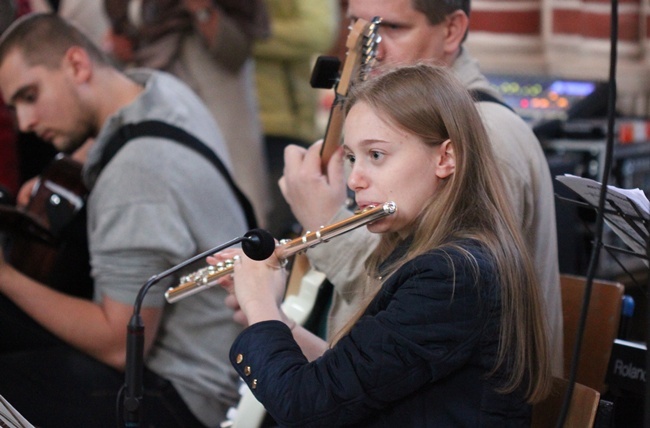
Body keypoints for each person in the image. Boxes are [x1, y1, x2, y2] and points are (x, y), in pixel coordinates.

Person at [215, 63, 552, 426]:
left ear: (445, 158)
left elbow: (306, 408)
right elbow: (348, 378)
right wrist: (280, 323)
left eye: (376, 155)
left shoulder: (453, 276)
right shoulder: (427, 254)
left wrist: (259, 303)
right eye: (351, 158)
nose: (355, 180)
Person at [279, 0, 564, 376]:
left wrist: (323, 224)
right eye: (356, 26)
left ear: (451, 30)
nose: (368, 49)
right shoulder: (386, 126)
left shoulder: (482, 136)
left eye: (391, 28)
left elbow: (419, 309)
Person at [0, 13, 249, 426]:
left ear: (77, 65)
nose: (25, 124)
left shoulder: (135, 175)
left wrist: (6, 277)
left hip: (179, 399)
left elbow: (121, 346)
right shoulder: (159, 90)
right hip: (227, 368)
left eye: (30, 95)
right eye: (14, 108)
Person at [104, 0, 273, 228]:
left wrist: (202, 10)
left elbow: (236, 52)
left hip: (216, 88)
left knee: (239, 191)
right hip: (155, 87)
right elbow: (119, 30)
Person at [254, 0, 340, 238]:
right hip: (227, 121)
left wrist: (242, 36)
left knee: (282, 232)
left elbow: (316, 31)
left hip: (286, 123)